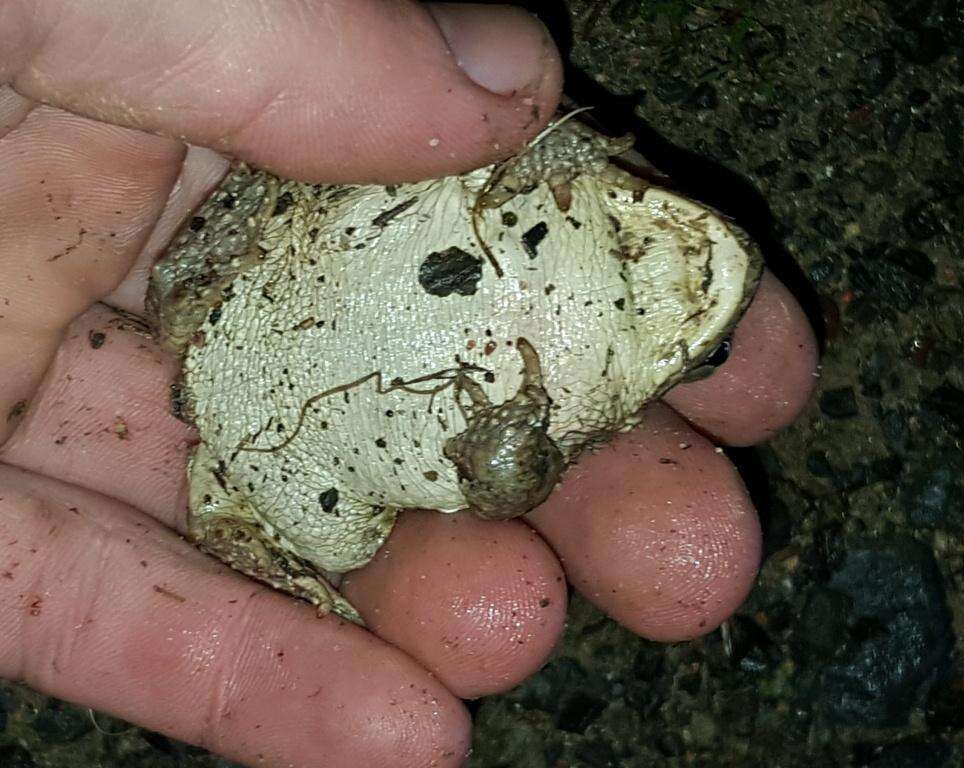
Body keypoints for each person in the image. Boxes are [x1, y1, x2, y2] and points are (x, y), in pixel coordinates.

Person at [0, 3, 818, 766]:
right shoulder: (576, 188)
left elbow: (498, 481)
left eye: (701, 354)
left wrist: (514, 449)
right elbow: (499, 482)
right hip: (239, 335)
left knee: (349, 547)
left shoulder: (592, 354)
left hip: (250, 399)